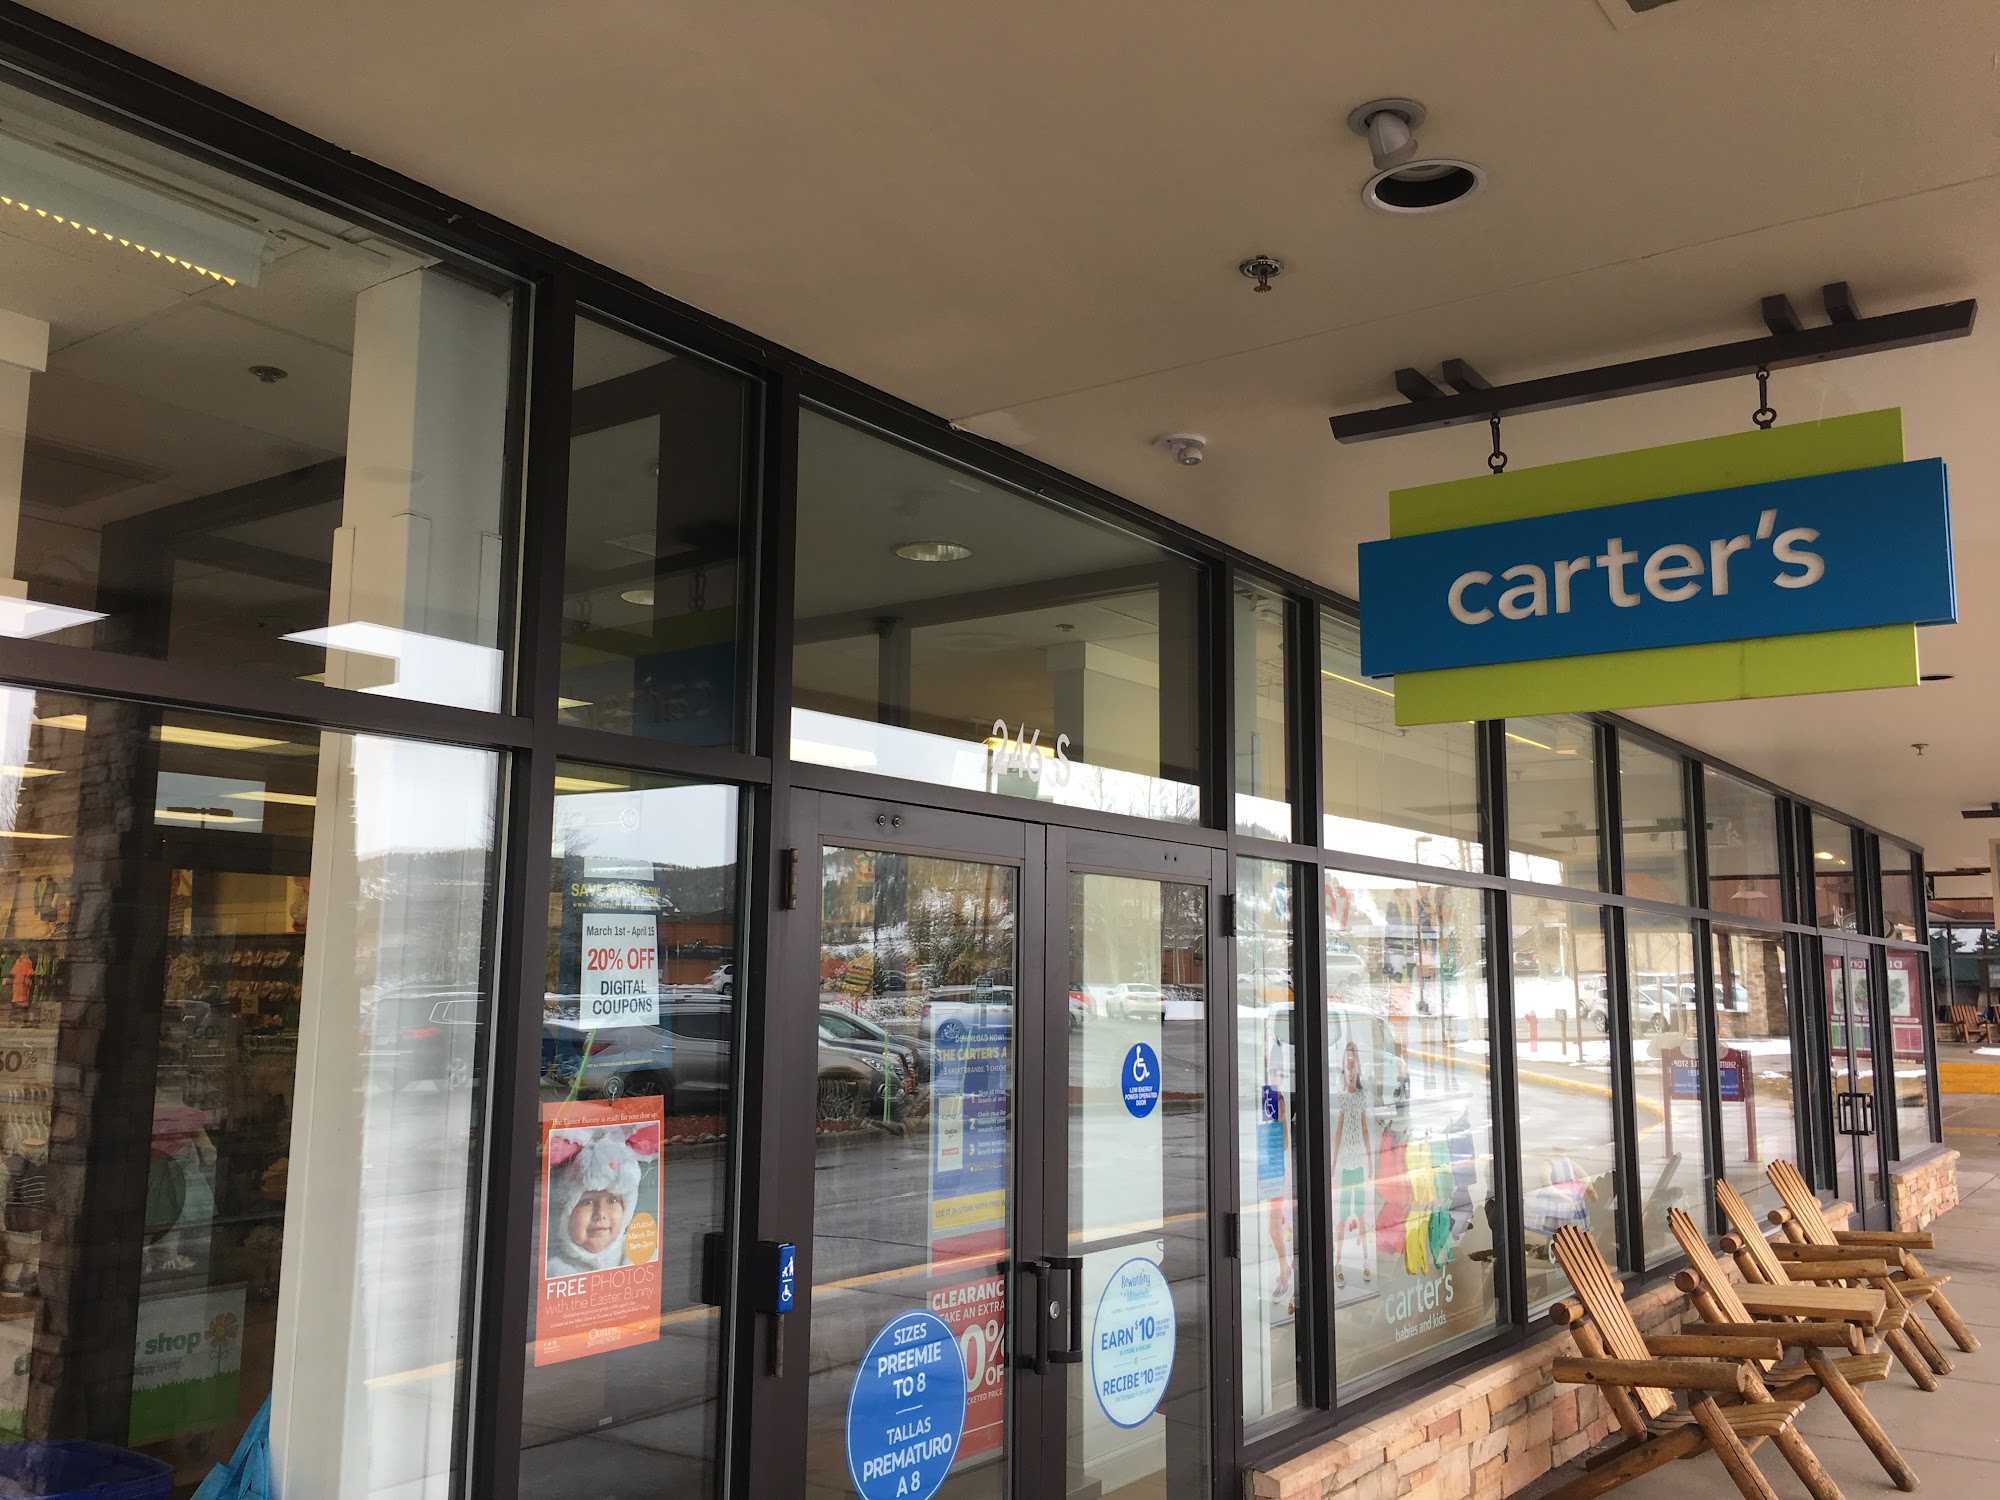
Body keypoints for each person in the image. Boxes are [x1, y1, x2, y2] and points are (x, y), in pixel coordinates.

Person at [545, 1120, 659, 1276]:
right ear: (565, 1212)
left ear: (626, 1211)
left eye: (612, 1201)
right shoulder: (552, 1272)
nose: (600, 1213)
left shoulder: (641, 1261)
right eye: (588, 1201)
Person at [1330, 1039, 1372, 1289]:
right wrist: (1334, 1160)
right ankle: (1338, 1263)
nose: (1351, 1072)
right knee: (1343, 1217)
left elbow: (1365, 1129)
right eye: (1347, 1068)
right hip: (1347, 1166)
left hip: (1357, 1166)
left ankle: (1366, 1261)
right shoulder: (1343, 1099)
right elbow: (1338, 1131)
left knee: (1361, 1215)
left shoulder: (1361, 1097)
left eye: (1353, 1066)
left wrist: (1370, 1158)